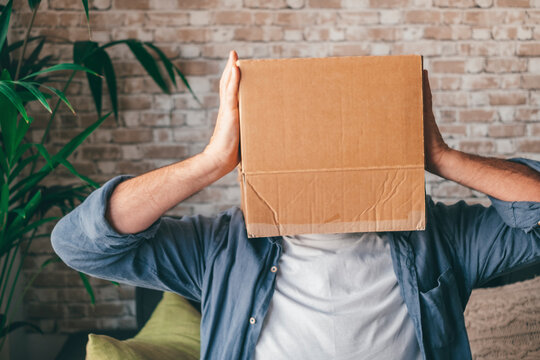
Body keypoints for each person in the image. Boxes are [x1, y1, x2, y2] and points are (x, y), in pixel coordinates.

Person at [51, 50, 540, 360]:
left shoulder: (441, 236)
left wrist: (441, 157)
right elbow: (81, 245)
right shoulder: (222, 247)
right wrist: (211, 160)